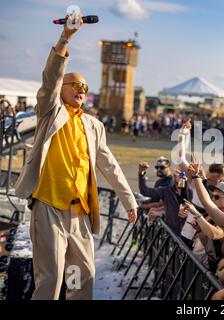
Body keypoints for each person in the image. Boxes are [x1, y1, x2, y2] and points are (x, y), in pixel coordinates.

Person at [14, 19, 138, 300]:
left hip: (79, 212)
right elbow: (51, 77)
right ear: (63, 88)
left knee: (82, 277)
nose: (82, 90)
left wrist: (129, 201)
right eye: (76, 85)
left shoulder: (94, 126)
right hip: (49, 207)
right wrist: (65, 38)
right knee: (52, 278)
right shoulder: (50, 112)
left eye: (85, 87)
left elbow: (111, 167)